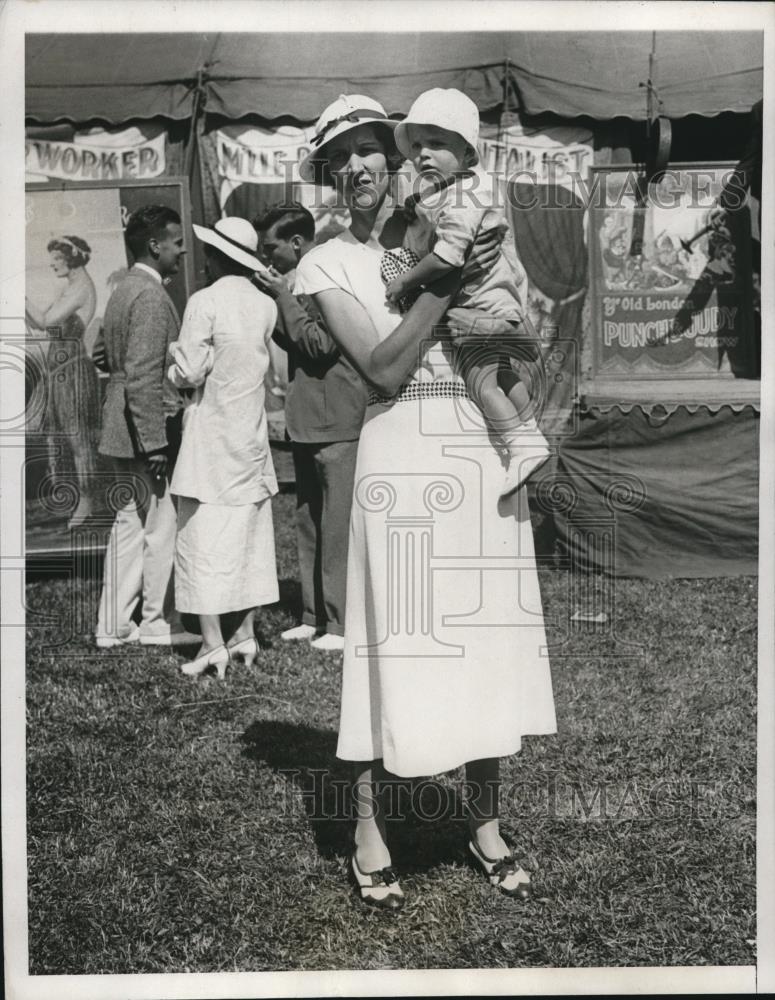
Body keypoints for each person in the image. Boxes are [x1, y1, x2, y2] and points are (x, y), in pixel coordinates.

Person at [295, 94, 556, 909]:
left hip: (475, 443)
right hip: (400, 442)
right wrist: (446, 280)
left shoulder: (436, 217)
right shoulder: (325, 264)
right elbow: (380, 368)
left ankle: (483, 825)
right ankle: (369, 832)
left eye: (370, 150)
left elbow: (505, 325)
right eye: (339, 160)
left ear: (394, 158)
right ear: (327, 176)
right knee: (391, 642)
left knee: (485, 638)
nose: (356, 168)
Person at [382, 88, 549, 497]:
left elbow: (448, 258)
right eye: (417, 145)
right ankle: (528, 427)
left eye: (437, 144)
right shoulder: (464, 189)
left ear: (469, 155)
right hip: (501, 304)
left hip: (479, 306)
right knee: (502, 373)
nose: (422, 154)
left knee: (480, 381)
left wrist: (404, 281)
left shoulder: (463, 198)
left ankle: (521, 445)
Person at [167, 217, 280, 679]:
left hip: (209, 437)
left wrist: (175, 365)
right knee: (248, 534)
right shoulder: (264, 304)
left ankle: (213, 642)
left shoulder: (204, 301)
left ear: (217, 257)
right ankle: (245, 634)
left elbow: (190, 372)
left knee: (200, 536)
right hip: (248, 435)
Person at [253, 202, 368, 653]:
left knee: (336, 528)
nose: (268, 259)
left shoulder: (330, 277)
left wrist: (282, 296)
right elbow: (296, 340)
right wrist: (278, 298)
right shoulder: (302, 281)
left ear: (297, 243)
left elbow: (319, 345)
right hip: (310, 422)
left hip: (337, 421)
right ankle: (313, 614)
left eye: (272, 249)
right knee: (308, 523)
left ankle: (339, 625)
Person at [94, 206, 198, 649]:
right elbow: (142, 373)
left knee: (128, 526)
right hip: (145, 430)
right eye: (176, 242)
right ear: (155, 246)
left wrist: (123, 380)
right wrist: (155, 442)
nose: (182, 249)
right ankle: (156, 621)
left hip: (120, 425)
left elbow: (104, 355)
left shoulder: (123, 288)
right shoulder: (153, 297)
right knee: (160, 528)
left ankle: (113, 625)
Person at [25, 236, 100, 529]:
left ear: (73, 257)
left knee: (79, 440)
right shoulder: (69, 288)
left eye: (58, 258)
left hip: (73, 372)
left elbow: (45, 321)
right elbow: (39, 323)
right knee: (63, 440)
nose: (53, 263)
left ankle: (87, 502)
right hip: (58, 371)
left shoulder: (81, 288)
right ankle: (72, 500)